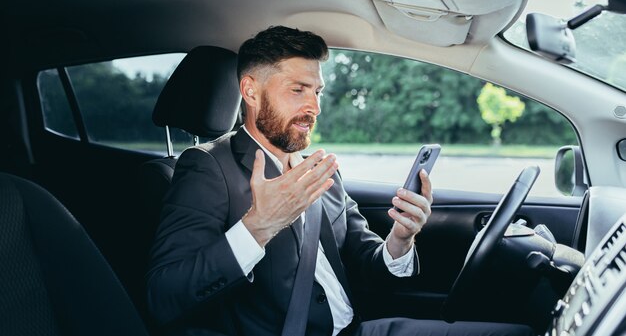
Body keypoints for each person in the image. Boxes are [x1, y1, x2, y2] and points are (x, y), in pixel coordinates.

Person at [146, 26, 534, 336]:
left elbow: (365, 262)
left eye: (317, 91)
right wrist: (257, 228)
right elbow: (164, 296)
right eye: (297, 90)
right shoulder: (207, 167)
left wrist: (400, 239)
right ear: (250, 90)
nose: (314, 106)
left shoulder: (320, 168)